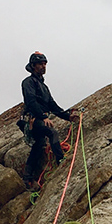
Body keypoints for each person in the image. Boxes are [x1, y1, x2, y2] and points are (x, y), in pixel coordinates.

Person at [20, 51, 75, 188]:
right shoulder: (28, 82)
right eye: (40, 63)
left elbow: (53, 105)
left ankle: (27, 178)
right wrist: (43, 116)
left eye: (45, 63)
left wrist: (68, 117)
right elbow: (31, 101)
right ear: (33, 66)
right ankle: (60, 160)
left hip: (38, 117)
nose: (43, 66)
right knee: (51, 132)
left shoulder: (44, 87)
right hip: (31, 118)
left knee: (38, 145)